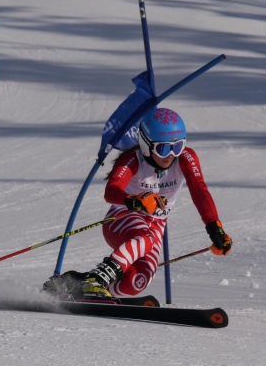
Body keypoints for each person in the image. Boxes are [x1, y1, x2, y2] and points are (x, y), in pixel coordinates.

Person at [43, 107, 232, 300]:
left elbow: (199, 189)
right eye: (163, 148)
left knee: (138, 280)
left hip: (156, 225)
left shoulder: (185, 157)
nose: (171, 154)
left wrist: (215, 228)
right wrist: (135, 201)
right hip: (121, 219)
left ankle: (78, 286)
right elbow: (111, 191)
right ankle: (96, 280)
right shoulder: (132, 160)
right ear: (146, 144)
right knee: (145, 236)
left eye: (178, 146)